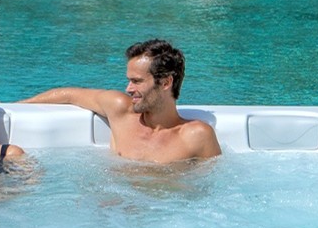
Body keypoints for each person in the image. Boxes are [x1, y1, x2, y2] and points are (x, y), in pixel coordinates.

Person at [24, 38, 220, 164]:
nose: (128, 88)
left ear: (166, 82)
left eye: (137, 81)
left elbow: (213, 192)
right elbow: (69, 94)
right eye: (129, 80)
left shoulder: (196, 136)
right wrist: (16, 106)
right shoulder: (120, 110)